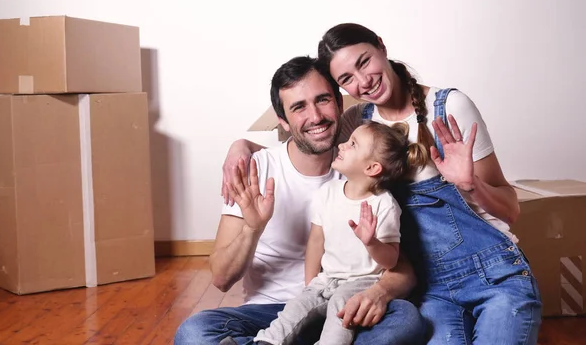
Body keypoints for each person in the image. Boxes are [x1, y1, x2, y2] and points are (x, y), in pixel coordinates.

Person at [224, 23, 543, 344]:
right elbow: (310, 143)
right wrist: (244, 147)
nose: (363, 82)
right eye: (346, 79)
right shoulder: (358, 122)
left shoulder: (449, 107)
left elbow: (510, 209)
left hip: (492, 274)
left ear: (381, 46)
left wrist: (471, 184)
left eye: (364, 62)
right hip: (431, 291)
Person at [174, 56, 425, 345]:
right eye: (298, 107)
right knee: (194, 333)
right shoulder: (257, 169)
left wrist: (377, 294)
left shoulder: (362, 169)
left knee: (406, 319)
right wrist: (252, 229)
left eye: (322, 100)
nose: (315, 116)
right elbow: (220, 278)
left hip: (345, 309)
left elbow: (402, 269)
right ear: (282, 121)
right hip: (271, 315)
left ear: (339, 105)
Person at [244, 121, 427, 345]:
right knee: (297, 305)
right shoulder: (327, 193)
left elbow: (391, 260)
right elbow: (316, 242)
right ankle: (265, 342)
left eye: (352, 144)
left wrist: (371, 242)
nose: (341, 145)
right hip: (327, 279)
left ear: (371, 168)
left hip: (363, 281)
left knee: (341, 303)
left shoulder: (384, 204)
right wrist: (310, 285)